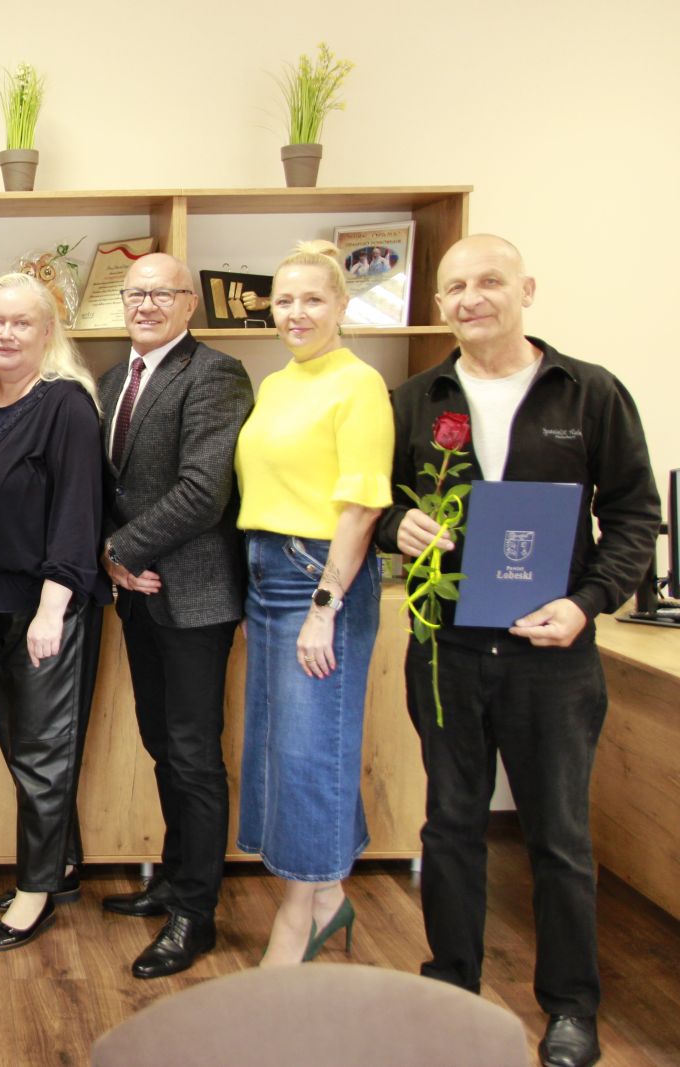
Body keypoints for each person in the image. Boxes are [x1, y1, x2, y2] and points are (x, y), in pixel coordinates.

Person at [374, 235, 660, 1067]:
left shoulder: (590, 392)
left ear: (525, 289)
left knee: (558, 837)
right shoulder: (414, 400)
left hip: (552, 654)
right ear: (441, 303)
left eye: (489, 281)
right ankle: (450, 990)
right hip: (446, 651)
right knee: (450, 827)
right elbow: (375, 503)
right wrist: (397, 525)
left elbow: (635, 516)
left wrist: (586, 603)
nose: (471, 298)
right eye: (455, 286)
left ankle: (571, 1008)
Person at [232, 239, 392, 967]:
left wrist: (324, 606)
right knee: (286, 742)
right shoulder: (277, 383)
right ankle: (329, 896)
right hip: (266, 569)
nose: (296, 313)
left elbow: (362, 505)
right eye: (285, 300)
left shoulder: (358, 383)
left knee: (308, 752)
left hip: (319, 576)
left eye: (313, 300)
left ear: (342, 305)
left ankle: (299, 915)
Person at [0, 272, 110, 952]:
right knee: (26, 745)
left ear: (47, 333)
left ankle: (35, 892)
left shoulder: (65, 404)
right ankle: (60, 863)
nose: (6, 333)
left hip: (47, 605)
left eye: (21, 323)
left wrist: (52, 607)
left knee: (42, 751)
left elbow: (78, 510)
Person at [98, 253, 254, 979]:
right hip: (137, 592)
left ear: (191, 304)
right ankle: (171, 878)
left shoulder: (216, 375)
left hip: (194, 595)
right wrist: (113, 561)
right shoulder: (111, 380)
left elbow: (202, 492)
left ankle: (197, 912)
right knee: (161, 742)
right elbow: (110, 486)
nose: (147, 305)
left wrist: (118, 549)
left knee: (194, 754)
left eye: (163, 293)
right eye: (136, 294)